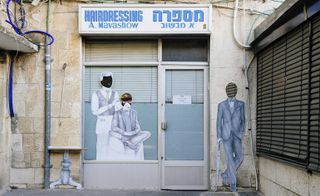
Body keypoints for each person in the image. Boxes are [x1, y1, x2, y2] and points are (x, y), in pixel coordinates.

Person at [216, 82, 245, 192]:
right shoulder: (221, 105)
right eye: (229, 89)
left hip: (237, 135)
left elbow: (243, 120)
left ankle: (225, 174)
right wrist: (219, 136)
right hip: (226, 135)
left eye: (232, 89)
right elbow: (218, 122)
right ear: (226, 91)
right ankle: (233, 185)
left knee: (240, 157)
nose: (231, 91)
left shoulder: (241, 104)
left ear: (235, 91)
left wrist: (241, 133)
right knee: (230, 160)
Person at [109, 93, 151, 160]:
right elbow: (114, 127)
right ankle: (129, 142)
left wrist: (134, 132)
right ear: (122, 102)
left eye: (129, 101)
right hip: (124, 135)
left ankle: (129, 143)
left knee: (147, 133)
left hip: (132, 135)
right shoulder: (117, 113)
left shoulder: (133, 113)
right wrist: (124, 133)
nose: (127, 103)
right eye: (125, 101)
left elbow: (138, 127)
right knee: (113, 134)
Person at [91, 72, 120, 160]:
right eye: (106, 80)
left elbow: (118, 109)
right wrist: (109, 106)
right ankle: (100, 162)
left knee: (112, 145)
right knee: (101, 145)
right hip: (102, 122)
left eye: (110, 79)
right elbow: (95, 111)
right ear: (101, 81)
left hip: (113, 122)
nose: (109, 82)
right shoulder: (96, 94)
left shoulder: (115, 93)